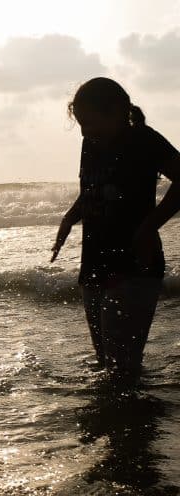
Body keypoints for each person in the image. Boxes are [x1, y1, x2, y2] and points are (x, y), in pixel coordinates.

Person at [51, 77, 180, 381]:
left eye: (91, 122)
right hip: (94, 262)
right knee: (106, 366)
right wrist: (71, 216)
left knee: (123, 371)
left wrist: (149, 227)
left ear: (119, 112)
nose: (85, 131)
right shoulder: (91, 143)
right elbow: (95, 187)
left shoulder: (144, 140)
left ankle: (140, 423)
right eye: (81, 124)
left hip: (136, 263)